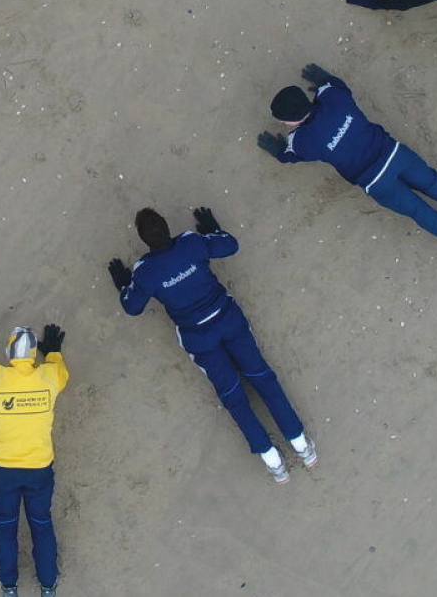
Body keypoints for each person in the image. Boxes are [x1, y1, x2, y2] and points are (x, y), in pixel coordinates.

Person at [111, 207, 316, 484]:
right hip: (229, 320)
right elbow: (230, 245)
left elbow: (132, 306)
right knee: (263, 378)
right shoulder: (190, 242)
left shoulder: (145, 272)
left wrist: (125, 285)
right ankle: (301, 446)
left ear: (144, 239)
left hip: (199, 338)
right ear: (167, 225)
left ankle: (273, 462)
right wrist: (211, 228)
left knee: (232, 395)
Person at [258, 64, 437, 259]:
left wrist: (278, 150)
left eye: (283, 121)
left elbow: (289, 156)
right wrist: (322, 79)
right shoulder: (334, 98)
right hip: (396, 154)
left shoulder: (303, 142)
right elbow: (334, 83)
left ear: (292, 121)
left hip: (377, 182)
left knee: (426, 216)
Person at [0, 324, 68, 597]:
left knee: (5, 525)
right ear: (35, 355)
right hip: (39, 468)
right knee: (42, 523)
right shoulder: (50, 377)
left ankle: (9, 585)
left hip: (4, 470)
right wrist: (54, 353)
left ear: (9, 353)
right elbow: (61, 373)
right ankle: (48, 584)